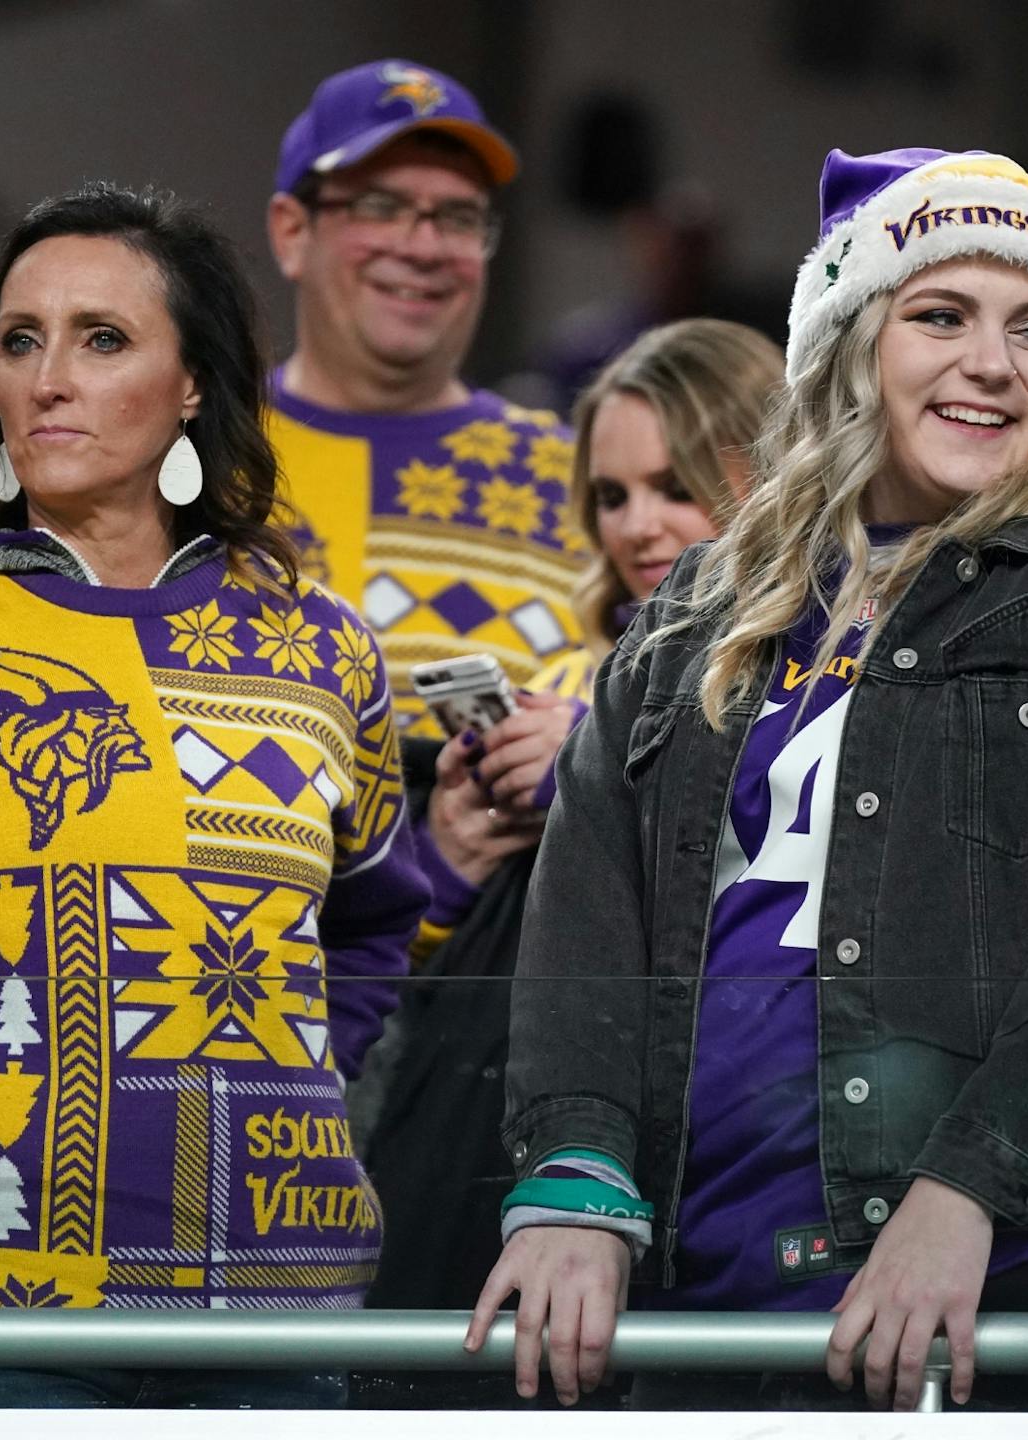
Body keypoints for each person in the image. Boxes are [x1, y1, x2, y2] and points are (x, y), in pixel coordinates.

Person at [468, 148, 1028, 1413]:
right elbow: (589, 904)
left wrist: (968, 1191)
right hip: (693, 1276)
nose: (992, 363)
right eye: (940, 315)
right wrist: (575, 1169)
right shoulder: (704, 595)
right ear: (849, 345)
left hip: (996, 1279)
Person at [0, 182, 428, 1407]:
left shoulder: (325, 643)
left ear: (193, 385)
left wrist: (282, 1082)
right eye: (20, 341)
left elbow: (377, 920)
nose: (48, 379)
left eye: (101, 339)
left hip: (280, 1320)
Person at [366, 319, 782, 1317]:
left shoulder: (823, 662)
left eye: (676, 486)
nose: (637, 527)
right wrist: (450, 861)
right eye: (611, 495)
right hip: (488, 1160)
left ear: (773, 473)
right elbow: (400, 985)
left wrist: (599, 773)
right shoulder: (554, 679)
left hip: (712, 1173)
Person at [264, 59, 583, 737]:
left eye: (459, 217)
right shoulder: (196, 454)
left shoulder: (581, 483)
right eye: (380, 207)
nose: (424, 246)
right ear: (292, 232)